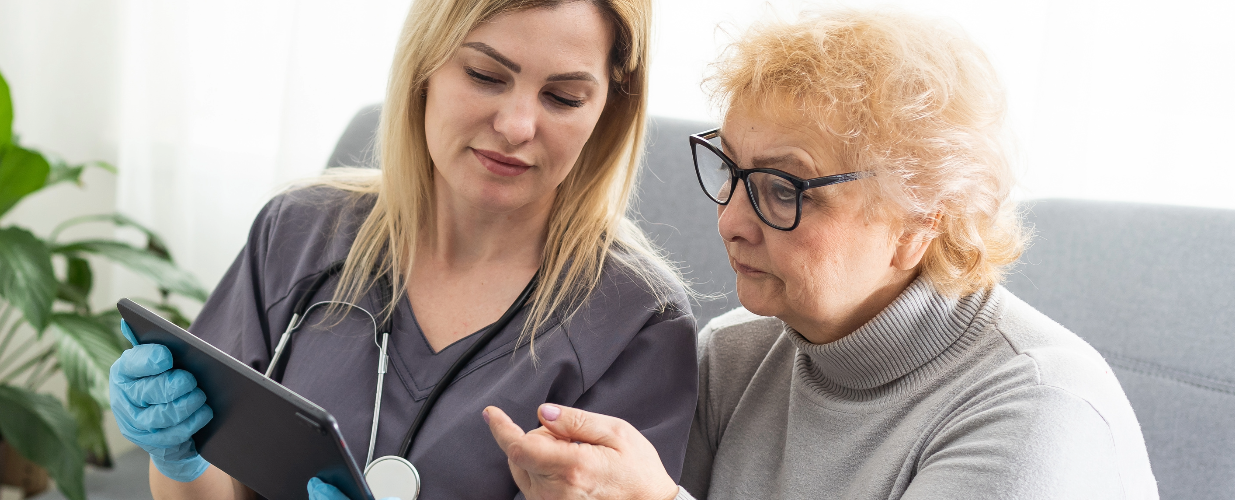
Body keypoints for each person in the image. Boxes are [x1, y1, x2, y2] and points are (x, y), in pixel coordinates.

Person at [483, 9, 1159, 500]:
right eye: (731, 170)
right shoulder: (736, 357)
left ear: (922, 217)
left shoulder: (1039, 412)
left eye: (783, 189)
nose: (731, 221)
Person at [108, 0, 700, 499]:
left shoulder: (638, 324)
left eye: (564, 97)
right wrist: (179, 458)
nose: (518, 125)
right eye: (486, 76)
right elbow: (223, 487)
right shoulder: (297, 235)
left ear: (608, 110)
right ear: (424, 67)